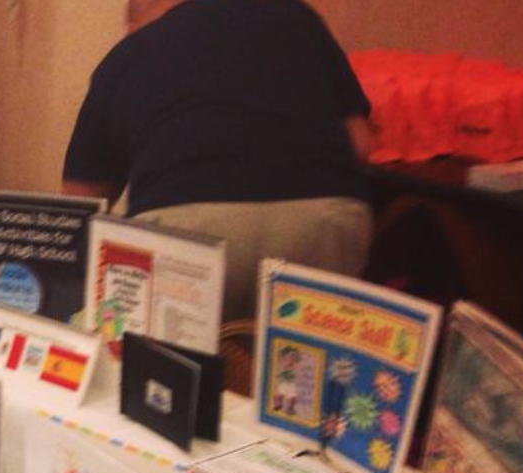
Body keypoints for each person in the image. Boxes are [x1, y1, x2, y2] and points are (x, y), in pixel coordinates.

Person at [62, 0, 374, 321]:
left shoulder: (125, 56)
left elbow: (79, 203)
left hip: (184, 227)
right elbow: (360, 143)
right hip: (322, 219)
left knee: (164, 345)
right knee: (307, 347)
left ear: (133, 25)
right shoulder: (296, 16)